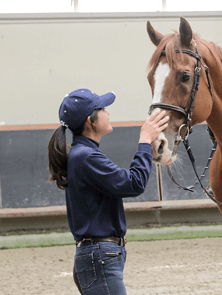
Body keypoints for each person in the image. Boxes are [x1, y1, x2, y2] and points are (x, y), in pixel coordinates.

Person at [48, 88, 169, 294]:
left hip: (99, 256)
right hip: (100, 256)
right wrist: (144, 141)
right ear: (90, 120)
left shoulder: (83, 154)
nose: (108, 112)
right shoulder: (86, 156)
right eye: (102, 108)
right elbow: (134, 183)